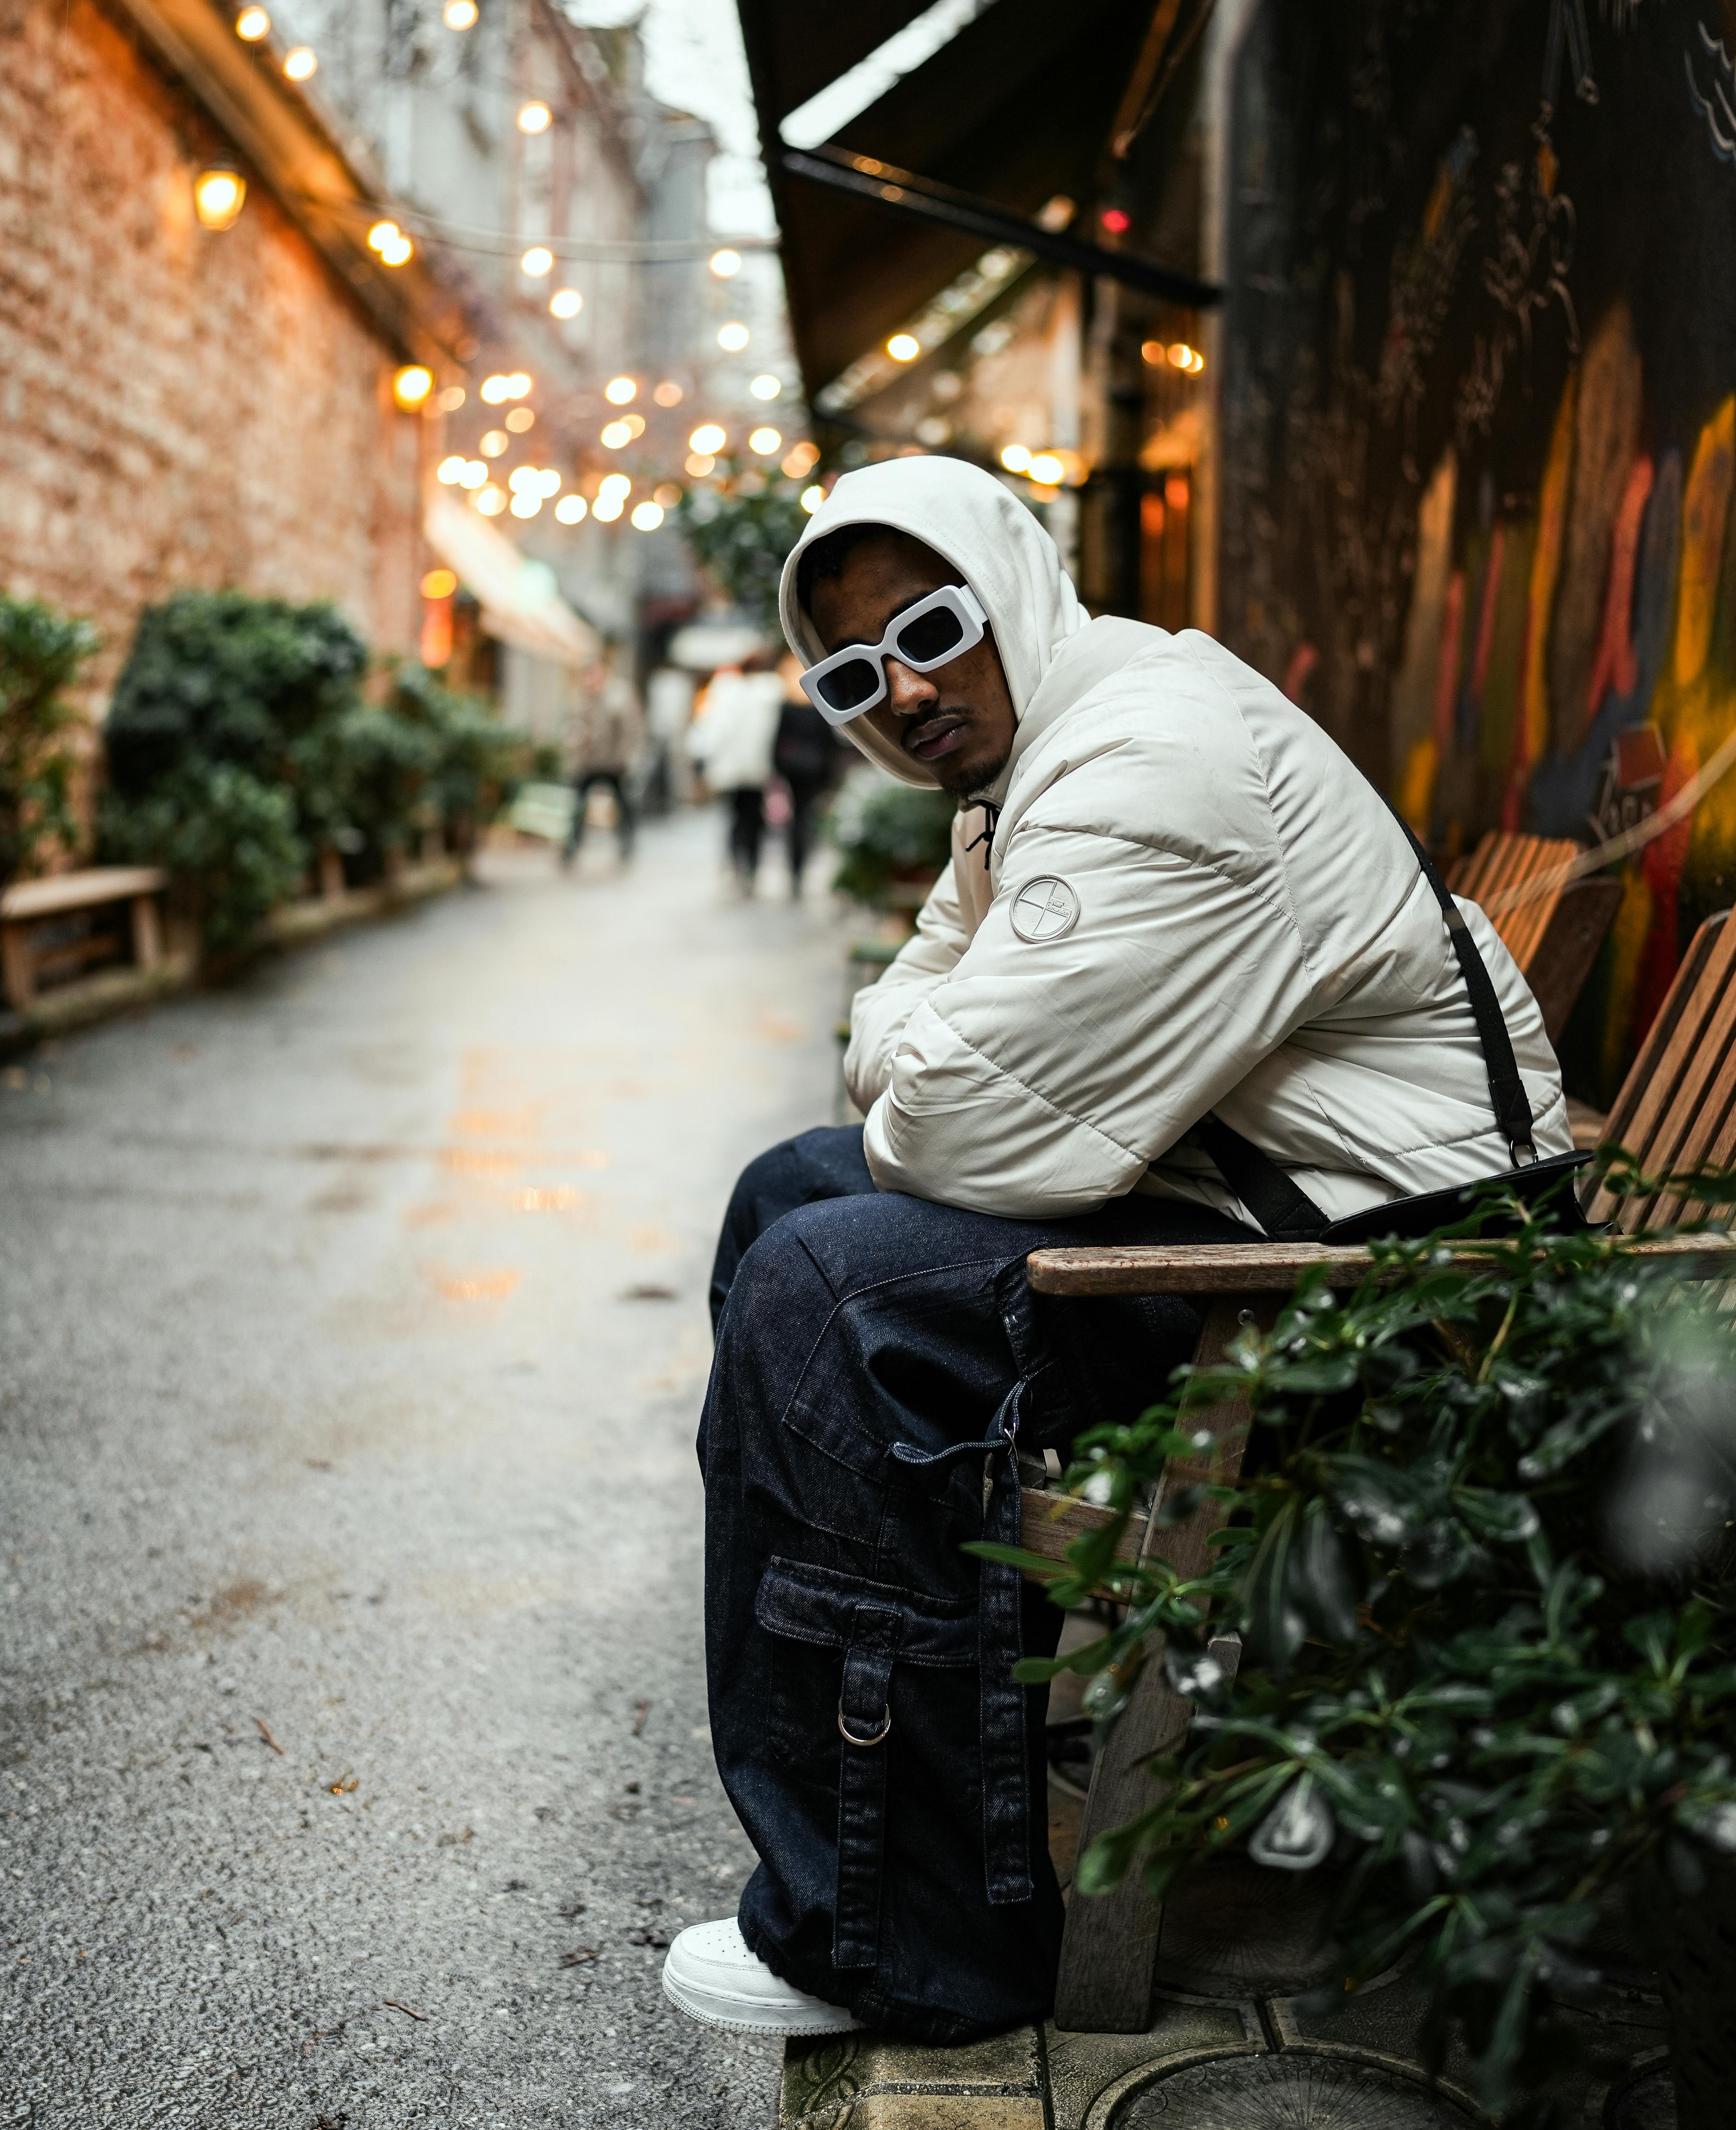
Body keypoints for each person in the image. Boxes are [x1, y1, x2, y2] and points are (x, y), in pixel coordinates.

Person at [660, 456, 1572, 2045]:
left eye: (932, 626)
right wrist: (913, 1036)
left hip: (1393, 1302)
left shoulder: (1148, 762)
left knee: (826, 1291)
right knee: (783, 1193)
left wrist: (909, 1038)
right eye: (859, 672)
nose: (911, 688)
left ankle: (914, 1937)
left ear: (1007, 579)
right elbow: (907, 1026)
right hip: (1275, 1223)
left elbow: (953, 1116)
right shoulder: (1041, 767)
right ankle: (927, 1771)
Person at [687, 652, 784, 892]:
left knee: (735, 817)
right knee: (754, 817)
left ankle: (736, 862)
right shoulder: (773, 692)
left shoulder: (728, 692)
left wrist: (704, 760)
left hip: (731, 768)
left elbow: (715, 731)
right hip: (760, 768)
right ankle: (752, 865)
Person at [561, 652, 644, 866]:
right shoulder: (581, 696)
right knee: (577, 805)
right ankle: (571, 847)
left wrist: (626, 757)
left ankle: (627, 845)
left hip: (614, 763)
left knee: (623, 806)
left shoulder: (619, 695)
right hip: (588, 762)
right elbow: (573, 726)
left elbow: (631, 730)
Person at [772, 651, 842, 896]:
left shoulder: (787, 707)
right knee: (805, 816)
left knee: (797, 817)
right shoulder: (819, 707)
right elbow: (829, 744)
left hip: (793, 768)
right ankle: (800, 866)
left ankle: (795, 866)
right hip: (814, 768)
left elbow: (778, 740)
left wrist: (777, 770)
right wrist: (830, 776)